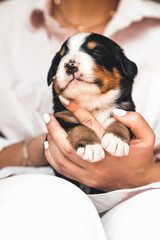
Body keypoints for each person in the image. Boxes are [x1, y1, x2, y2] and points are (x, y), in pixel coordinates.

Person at [0, 0, 160, 239]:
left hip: (145, 193)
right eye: (64, 60)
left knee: (149, 217)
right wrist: (42, 147)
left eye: (95, 52)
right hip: (34, 186)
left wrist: (146, 175)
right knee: (43, 204)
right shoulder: (6, 21)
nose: (72, 63)